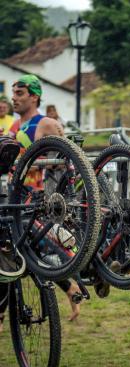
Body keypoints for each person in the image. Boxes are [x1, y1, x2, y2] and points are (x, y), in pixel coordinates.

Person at [1, 75, 82, 322]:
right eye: (13, 93)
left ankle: (71, 286)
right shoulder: (13, 127)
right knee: (12, 253)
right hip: (12, 194)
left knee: (20, 249)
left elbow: (67, 158)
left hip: (31, 196)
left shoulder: (45, 123)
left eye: (20, 93)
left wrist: (33, 165)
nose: (14, 97)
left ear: (34, 96)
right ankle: (69, 288)